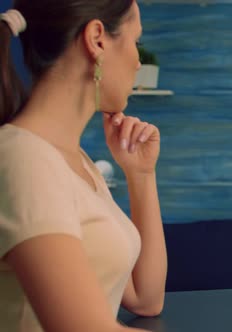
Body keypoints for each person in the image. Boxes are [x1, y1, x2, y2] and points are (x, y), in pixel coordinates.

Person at [0, 1, 167, 331]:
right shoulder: (24, 158)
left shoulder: (75, 161)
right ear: (97, 40)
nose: (137, 62)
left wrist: (141, 174)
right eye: (137, 42)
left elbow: (146, 298)